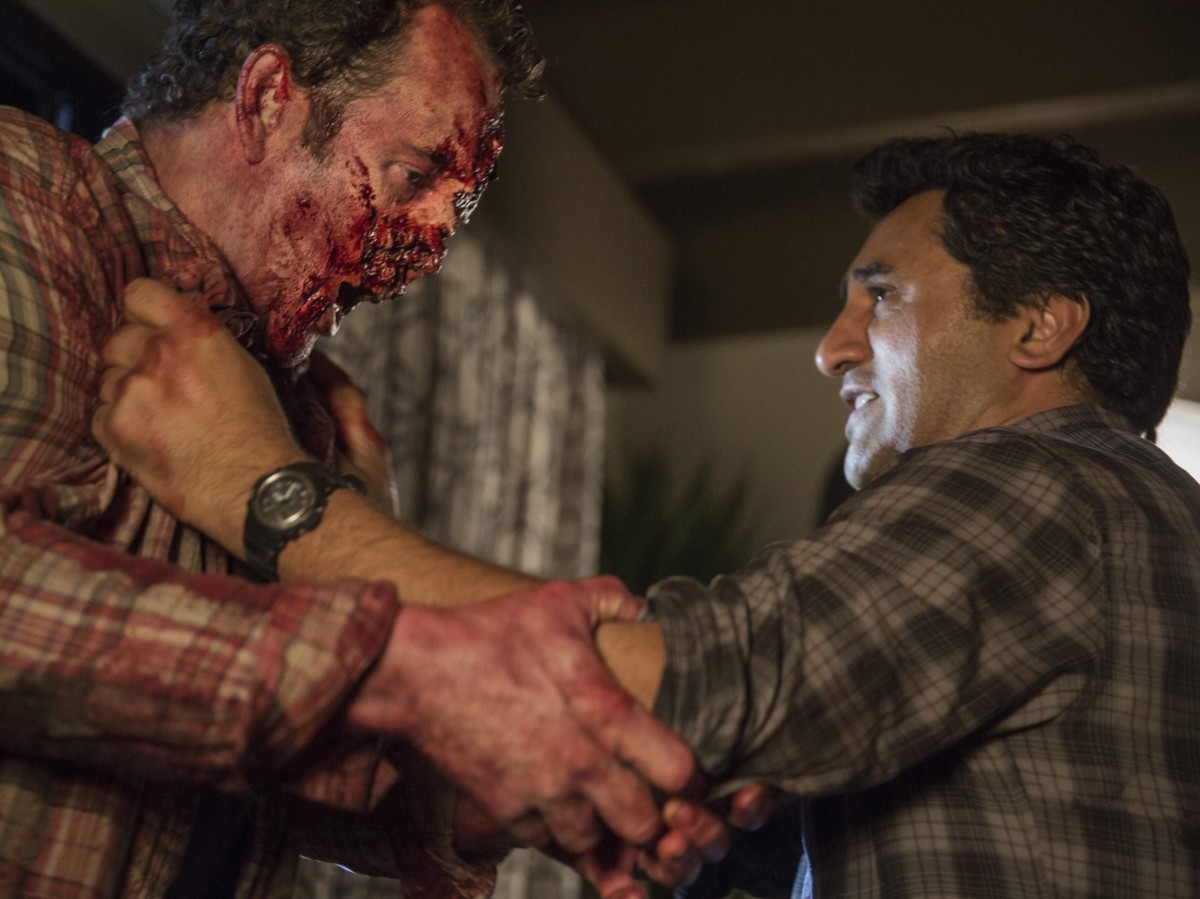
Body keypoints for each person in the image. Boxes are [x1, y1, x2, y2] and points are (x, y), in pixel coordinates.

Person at [98, 130, 1200, 898]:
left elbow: (675, 687)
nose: (832, 348)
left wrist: (266, 487)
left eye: (882, 295)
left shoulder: (1044, 482)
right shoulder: (1120, 523)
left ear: (1041, 326)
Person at [0, 1, 743, 896]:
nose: (430, 250)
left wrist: (514, 779)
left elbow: (276, 772)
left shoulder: (304, 411)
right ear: (266, 99)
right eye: (414, 174)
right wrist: (406, 665)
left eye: (458, 206)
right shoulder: (25, 195)